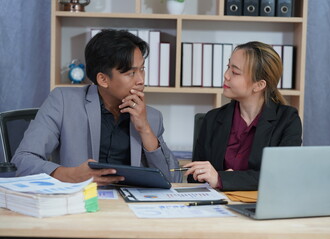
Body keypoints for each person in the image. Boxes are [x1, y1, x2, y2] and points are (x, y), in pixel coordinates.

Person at [12, 29, 182, 185]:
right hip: (79, 205)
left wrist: (145, 129)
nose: (141, 80)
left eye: (142, 70)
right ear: (103, 80)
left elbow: (173, 178)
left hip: (129, 211)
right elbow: (22, 161)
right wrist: (70, 175)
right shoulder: (63, 102)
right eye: (131, 73)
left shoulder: (151, 117)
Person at [185, 41, 302, 191]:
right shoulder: (212, 119)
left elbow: (282, 176)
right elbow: (193, 176)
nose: (226, 75)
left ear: (259, 85)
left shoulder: (287, 120)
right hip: (216, 207)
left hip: (262, 207)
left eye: (235, 72)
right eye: (228, 67)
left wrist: (222, 179)